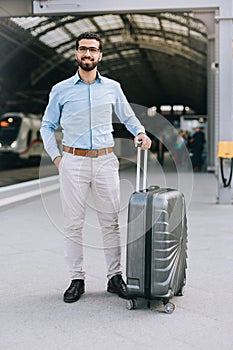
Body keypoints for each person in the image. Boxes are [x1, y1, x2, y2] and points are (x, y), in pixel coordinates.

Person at [40, 32, 151, 303]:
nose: (87, 54)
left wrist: (140, 132)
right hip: (73, 161)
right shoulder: (61, 89)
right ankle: (76, 279)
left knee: (110, 223)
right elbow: (47, 126)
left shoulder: (112, 87)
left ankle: (115, 278)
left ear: (100, 55)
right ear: (76, 54)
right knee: (73, 224)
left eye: (92, 50)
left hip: (105, 161)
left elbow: (127, 116)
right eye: (82, 50)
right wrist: (57, 158)